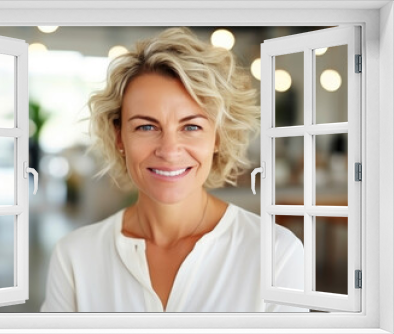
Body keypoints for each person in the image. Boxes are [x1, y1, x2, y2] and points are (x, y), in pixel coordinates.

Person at [41, 27, 305, 312]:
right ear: (119, 136)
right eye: (146, 126)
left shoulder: (275, 253)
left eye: (191, 126)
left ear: (217, 136)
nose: (169, 150)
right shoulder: (75, 257)